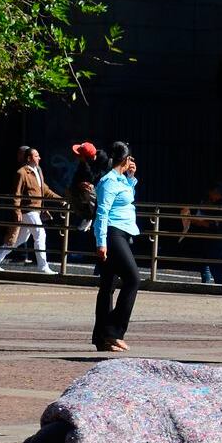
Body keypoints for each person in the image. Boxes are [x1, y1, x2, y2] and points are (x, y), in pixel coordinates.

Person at [91, 142, 139, 352]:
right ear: (126, 159)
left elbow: (127, 197)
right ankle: (114, 330)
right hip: (113, 233)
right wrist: (101, 242)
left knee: (108, 285)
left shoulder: (121, 179)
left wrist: (130, 178)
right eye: (131, 159)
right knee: (133, 278)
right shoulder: (108, 181)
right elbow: (102, 213)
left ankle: (102, 338)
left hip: (123, 231)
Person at [0, 147, 63, 274]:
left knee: (20, 239)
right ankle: (43, 266)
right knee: (40, 234)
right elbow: (16, 194)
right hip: (28, 210)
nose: (39, 158)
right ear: (29, 158)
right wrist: (17, 211)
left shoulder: (38, 171)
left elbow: (45, 190)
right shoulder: (21, 173)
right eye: (36, 156)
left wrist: (61, 199)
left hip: (36, 210)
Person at [187, 184, 222, 284]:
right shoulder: (207, 201)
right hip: (206, 236)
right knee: (205, 263)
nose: (210, 195)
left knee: (214, 263)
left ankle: (218, 285)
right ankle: (207, 284)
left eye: (212, 192)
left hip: (217, 237)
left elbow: (214, 225)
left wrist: (196, 221)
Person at [68, 141, 99, 232]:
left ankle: (96, 217)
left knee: (89, 189)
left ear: (84, 157)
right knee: (70, 191)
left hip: (101, 194)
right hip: (85, 197)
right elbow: (75, 180)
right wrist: (79, 184)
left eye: (79, 155)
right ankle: (88, 217)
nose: (77, 156)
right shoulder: (82, 165)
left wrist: (93, 185)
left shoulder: (103, 164)